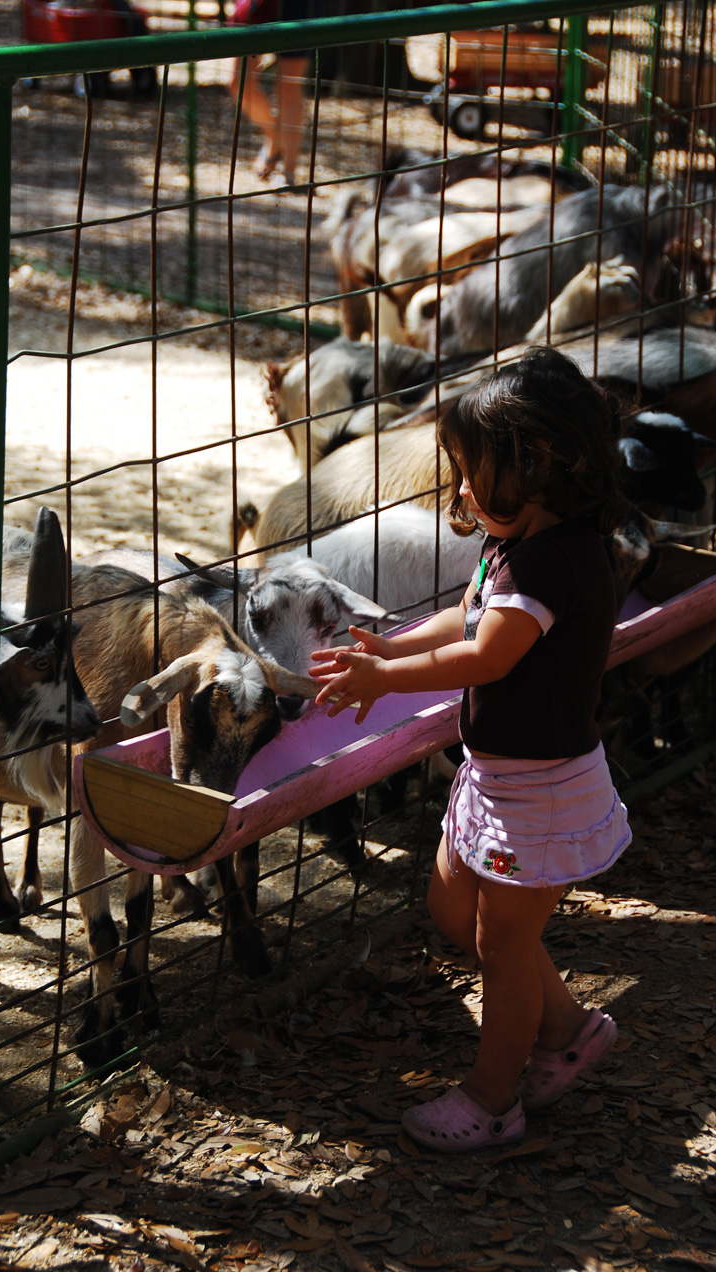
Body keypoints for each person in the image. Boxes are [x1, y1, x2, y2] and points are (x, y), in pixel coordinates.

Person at [309, 345, 632, 1153]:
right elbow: (465, 622)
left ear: (540, 462)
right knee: (452, 909)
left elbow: (487, 656)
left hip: (540, 789)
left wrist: (391, 683)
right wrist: (386, 651)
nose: (456, 489)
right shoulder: (515, 538)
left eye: (470, 471)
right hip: (496, 779)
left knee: (501, 948)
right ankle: (567, 1030)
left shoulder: (556, 560)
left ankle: (493, 1100)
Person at [227, 0, 321, 189]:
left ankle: (289, 172)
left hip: (301, 7)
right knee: (238, 82)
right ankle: (275, 139)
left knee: (289, 87)